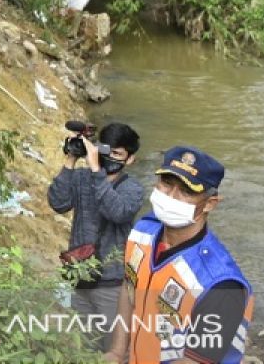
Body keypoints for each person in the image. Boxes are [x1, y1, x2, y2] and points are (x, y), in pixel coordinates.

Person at [107, 147, 254, 364]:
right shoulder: (143, 230)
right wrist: (117, 352)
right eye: (166, 183)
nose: (171, 197)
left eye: (186, 191)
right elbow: (129, 289)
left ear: (210, 203)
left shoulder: (220, 285)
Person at [47, 122, 144, 352]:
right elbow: (58, 203)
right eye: (106, 150)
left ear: (130, 159)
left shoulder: (132, 188)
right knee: (85, 345)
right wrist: (71, 159)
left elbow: (117, 212)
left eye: (118, 154)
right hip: (80, 276)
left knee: (114, 347)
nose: (110, 157)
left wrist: (95, 171)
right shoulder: (83, 178)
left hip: (112, 283)